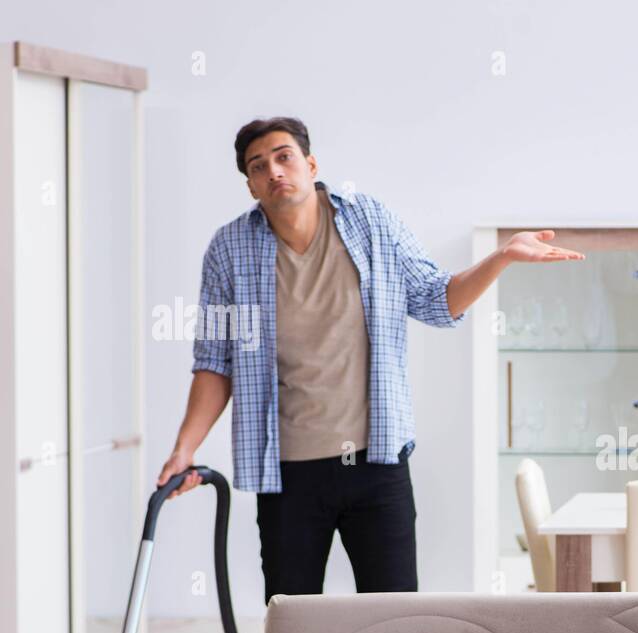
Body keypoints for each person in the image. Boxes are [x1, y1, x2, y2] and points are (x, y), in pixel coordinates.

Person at [157, 116, 584, 604]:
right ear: (251, 185)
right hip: (287, 472)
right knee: (294, 624)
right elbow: (215, 361)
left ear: (310, 163)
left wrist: (501, 258)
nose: (274, 171)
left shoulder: (370, 221)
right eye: (259, 166)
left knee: (394, 624)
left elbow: (435, 299)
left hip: (376, 464)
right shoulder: (228, 249)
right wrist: (184, 449)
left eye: (283, 156)